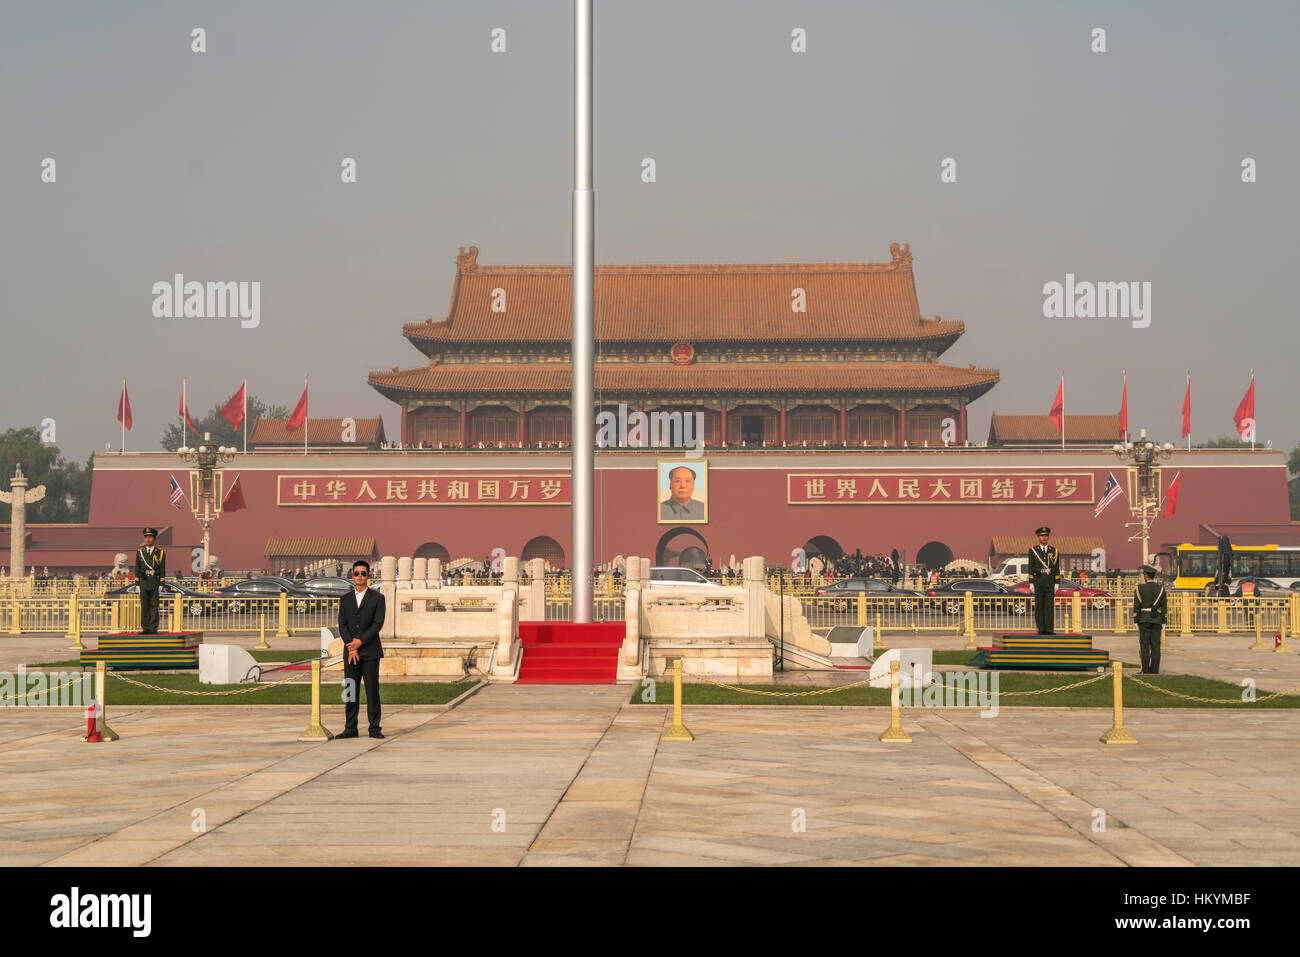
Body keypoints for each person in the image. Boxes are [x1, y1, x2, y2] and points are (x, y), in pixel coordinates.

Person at [337, 559, 386, 739]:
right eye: (356, 573)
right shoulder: (345, 599)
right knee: (349, 689)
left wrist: (360, 642)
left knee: (372, 690)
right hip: (350, 653)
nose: (360, 577)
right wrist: (351, 646)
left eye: (363, 573)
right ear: (352, 575)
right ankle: (350, 727)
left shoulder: (378, 598)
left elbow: (377, 624)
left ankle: (374, 728)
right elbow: (342, 625)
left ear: (369, 575)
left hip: (370, 651)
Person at [1133, 564, 1167, 674]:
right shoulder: (1161, 589)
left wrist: (1136, 620)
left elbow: (1137, 606)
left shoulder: (1140, 588)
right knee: (1156, 646)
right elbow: (1164, 607)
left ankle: (1145, 670)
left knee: (1144, 646)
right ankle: (1155, 670)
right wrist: (1164, 621)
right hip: (1157, 620)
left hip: (1144, 619)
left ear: (1146, 576)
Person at [1029, 525, 1060, 634]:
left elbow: (1056, 568)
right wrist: (1031, 583)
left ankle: (1049, 629)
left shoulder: (1054, 550)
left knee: (1049, 607)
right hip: (1038, 581)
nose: (1044, 538)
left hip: (1050, 582)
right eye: (1042, 536)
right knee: (1039, 606)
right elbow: (1031, 567)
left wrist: (1057, 582)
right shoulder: (1033, 550)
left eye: (1046, 536)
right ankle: (1041, 629)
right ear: (1038, 537)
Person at [135, 527, 165, 634]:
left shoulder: (160, 553)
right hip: (143, 582)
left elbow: (162, 569)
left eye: (150, 537)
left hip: (154, 582)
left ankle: (153, 627)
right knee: (144, 606)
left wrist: (161, 583)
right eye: (146, 537)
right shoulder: (140, 553)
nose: (148, 539)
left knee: (154, 606)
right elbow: (137, 568)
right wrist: (137, 583)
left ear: (154, 539)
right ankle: (145, 628)